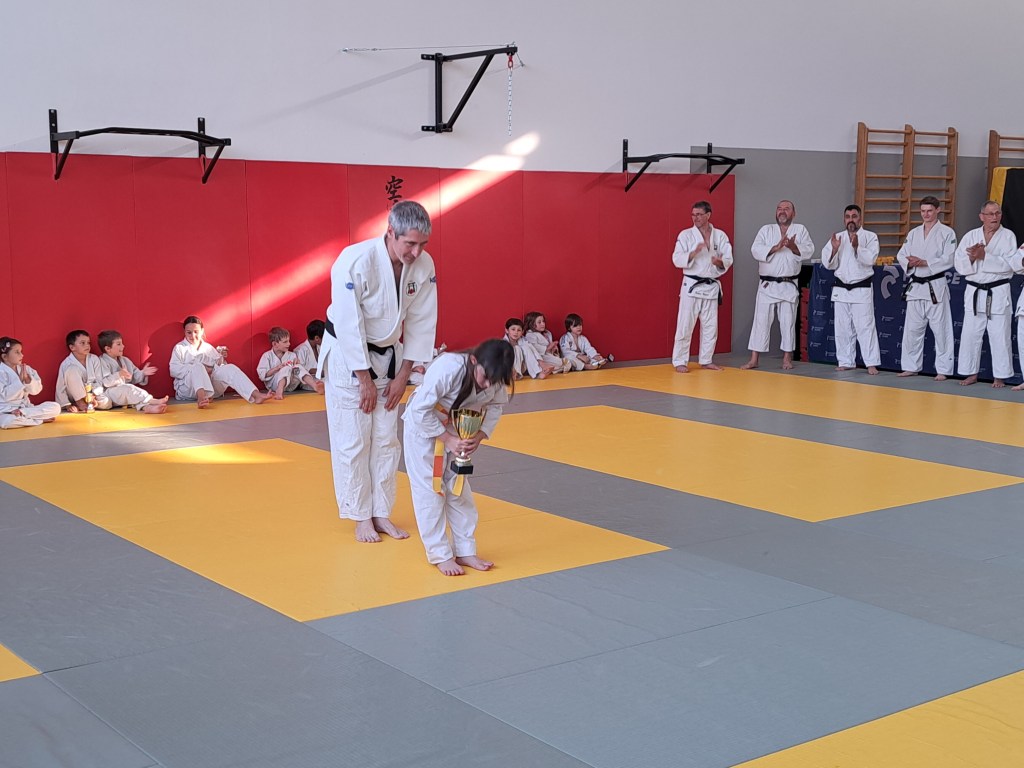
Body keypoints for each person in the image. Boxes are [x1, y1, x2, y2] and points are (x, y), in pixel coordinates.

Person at [319, 199, 438, 543]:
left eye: (422, 244)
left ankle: (381, 512)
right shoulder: (354, 261)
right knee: (353, 439)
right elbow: (348, 323)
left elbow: (422, 321)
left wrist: (404, 376)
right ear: (390, 232)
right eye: (410, 243)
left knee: (387, 439)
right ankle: (360, 516)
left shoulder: (424, 265)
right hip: (348, 357)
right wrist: (364, 379)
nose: (417, 252)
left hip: (390, 356)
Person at [402, 339, 514, 576]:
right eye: (485, 377)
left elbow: (495, 406)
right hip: (424, 428)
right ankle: (440, 554)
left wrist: (479, 436)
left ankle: (465, 550)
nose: (488, 384)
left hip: (458, 428)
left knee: (459, 489)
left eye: (494, 380)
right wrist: (447, 439)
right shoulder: (449, 367)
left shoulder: (495, 373)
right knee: (430, 490)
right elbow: (419, 410)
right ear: (474, 360)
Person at [741, 200, 815, 370]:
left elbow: (809, 249)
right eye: (779, 209)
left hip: (789, 284)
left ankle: (787, 358)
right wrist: (776, 247)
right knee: (760, 321)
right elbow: (755, 250)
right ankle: (754, 359)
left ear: (793, 213)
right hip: (767, 285)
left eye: (786, 209)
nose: (782, 211)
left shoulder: (800, 230)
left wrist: (793, 247)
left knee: (788, 322)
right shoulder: (766, 230)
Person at [954, 201, 1020, 387]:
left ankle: (1000, 376)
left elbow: (1010, 265)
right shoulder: (970, 236)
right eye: (990, 214)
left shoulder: (1008, 236)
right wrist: (971, 258)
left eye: (997, 213)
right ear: (981, 216)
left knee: (1000, 335)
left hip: (997, 292)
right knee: (970, 335)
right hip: (975, 291)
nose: (994, 217)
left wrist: (985, 257)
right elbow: (958, 263)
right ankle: (970, 373)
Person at [896, 197, 957, 381]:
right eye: (923, 211)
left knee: (941, 330)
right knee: (912, 330)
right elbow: (901, 254)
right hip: (916, 287)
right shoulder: (914, 233)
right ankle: (910, 366)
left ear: (938, 210)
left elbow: (949, 258)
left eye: (929, 210)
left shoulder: (947, 233)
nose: (926, 214)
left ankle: (943, 370)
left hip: (935, 287)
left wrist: (925, 262)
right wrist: (911, 263)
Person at [672, 200, 733, 372]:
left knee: (710, 327)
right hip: (692, 285)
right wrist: (693, 253)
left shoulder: (720, 236)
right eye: (693, 215)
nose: (695, 218)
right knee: (685, 325)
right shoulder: (686, 235)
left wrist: (719, 261)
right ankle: (680, 361)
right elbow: (676, 258)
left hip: (711, 286)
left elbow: (728, 259)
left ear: (708, 215)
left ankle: (706, 360)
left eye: (699, 214)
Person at [821, 204, 881, 374]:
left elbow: (871, 259)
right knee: (842, 328)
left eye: (854, 216)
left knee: (865, 327)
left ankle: (871, 363)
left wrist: (856, 247)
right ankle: (846, 361)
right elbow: (828, 264)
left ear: (860, 218)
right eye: (848, 217)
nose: (851, 220)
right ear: (844, 219)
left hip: (861, 289)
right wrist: (834, 250)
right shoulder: (838, 238)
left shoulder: (870, 237)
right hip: (841, 289)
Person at [169, 315, 271, 407]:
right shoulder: (179, 348)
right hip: (188, 390)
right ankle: (201, 398)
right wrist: (198, 370)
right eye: (189, 332)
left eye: (196, 332)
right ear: (184, 332)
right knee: (198, 366)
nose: (193, 336)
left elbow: (221, 369)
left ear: (202, 331)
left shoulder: (208, 348)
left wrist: (220, 359)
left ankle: (256, 395)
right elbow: (173, 370)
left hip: (210, 389)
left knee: (229, 368)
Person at [96, 329, 169, 413]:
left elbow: (135, 375)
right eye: (119, 344)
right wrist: (119, 374)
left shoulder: (125, 360)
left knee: (132, 394)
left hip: (123, 394)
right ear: (108, 348)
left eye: (122, 343)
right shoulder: (102, 362)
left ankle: (147, 408)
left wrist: (143, 373)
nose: (123, 346)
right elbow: (105, 382)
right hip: (110, 393)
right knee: (129, 388)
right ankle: (151, 400)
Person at [0, 336, 60, 429]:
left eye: (21, 351)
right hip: (6, 410)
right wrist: (19, 382)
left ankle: (23, 414)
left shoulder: (26, 369)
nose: (22, 355)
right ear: (4, 357)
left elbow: (36, 391)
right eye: (17, 352)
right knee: (7, 422)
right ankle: (39, 420)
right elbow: (4, 397)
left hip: (26, 408)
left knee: (56, 407)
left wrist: (28, 380)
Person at [257, 326, 324, 399]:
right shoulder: (267, 356)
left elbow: (296, 371)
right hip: (274, 385)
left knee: (298, 367)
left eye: (289, 341)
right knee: (286, 368)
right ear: (275, 344)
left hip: (291, 385)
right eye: (285, 342)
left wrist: (297, 364)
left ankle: (315, 386)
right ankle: (279, 392)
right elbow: (262, 375)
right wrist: (277, 368)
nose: (289, 344)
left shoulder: (292, 355)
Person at [55, 330, 111, 412]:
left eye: (88, 343)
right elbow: (61, 387)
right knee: (72, 369)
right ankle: (80, 403)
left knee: (107, 403)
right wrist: (67, 405)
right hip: (74, 396)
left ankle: (89, 403)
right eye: (82, 343)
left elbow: (99, 380)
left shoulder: (94, 359)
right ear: (72, 347)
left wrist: (93, 395)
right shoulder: (66, 364)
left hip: (92, 393)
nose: (87, 345)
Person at [293, 319, 325, 390]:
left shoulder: (320, 347)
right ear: (316, 338)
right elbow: (300, 370)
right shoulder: (300, 350)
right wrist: (320, 371)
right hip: (307, 382)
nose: (326, 340)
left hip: (321, 377)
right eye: (324, 338)